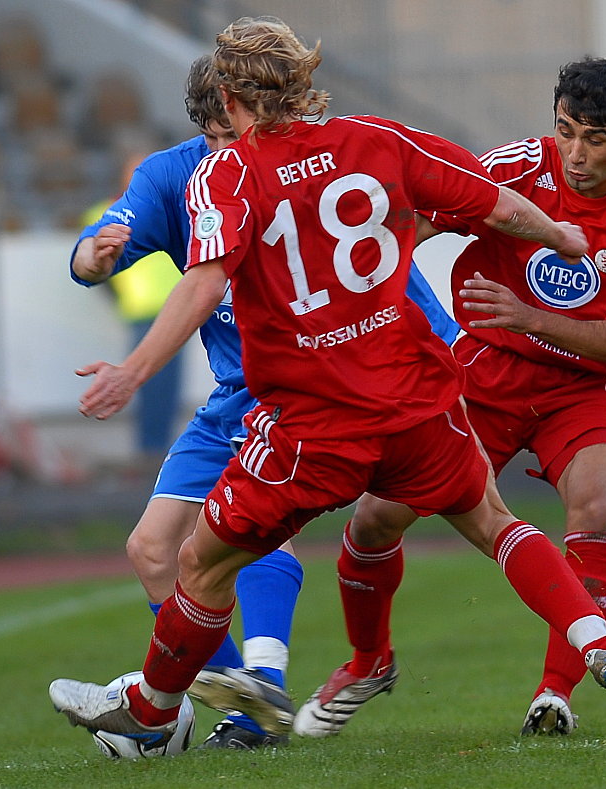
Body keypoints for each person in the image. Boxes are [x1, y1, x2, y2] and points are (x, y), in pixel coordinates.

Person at [49, 18, 606, 751]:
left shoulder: (225, 175)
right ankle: (593, 640)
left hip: (314, 419)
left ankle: (156, 706)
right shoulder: (375, 138)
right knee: (491, 520)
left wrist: (133, 371)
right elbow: (494, 201)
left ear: (229, 100)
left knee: (199, 559)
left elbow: (203, 283)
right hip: (416, 401)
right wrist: (559, 234)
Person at [292, 56, 606, 739]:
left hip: (587, 388)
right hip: (485, 374)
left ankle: (555, 694)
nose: (575, 153)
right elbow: (417, 224)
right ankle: (367, 660)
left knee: (595, 504)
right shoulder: (514, 168)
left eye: (596, 139)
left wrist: (528, 316)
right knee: (375, 518)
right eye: (566, 131)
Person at [69, 54, 459, 750]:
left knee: (252, 532)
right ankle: (241, 697)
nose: (236, 146)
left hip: (310, 384)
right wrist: (93, 259)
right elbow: (95, 249)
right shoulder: (172, 176)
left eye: (242, 129)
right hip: (234, 394)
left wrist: (452, 346)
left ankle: (257, 687)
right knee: (151, 549)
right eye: (221, 137)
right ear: (206, 126)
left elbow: (389, 278)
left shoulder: (310, 168)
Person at [81, 149, 184, 466]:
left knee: (167, 385)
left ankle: (159, 446)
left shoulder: (166, 207)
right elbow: (97, 269)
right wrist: (123, 300)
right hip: (143, 311)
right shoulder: (106, 212)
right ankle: (150, 448)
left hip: (178, 306)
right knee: (148, 382)